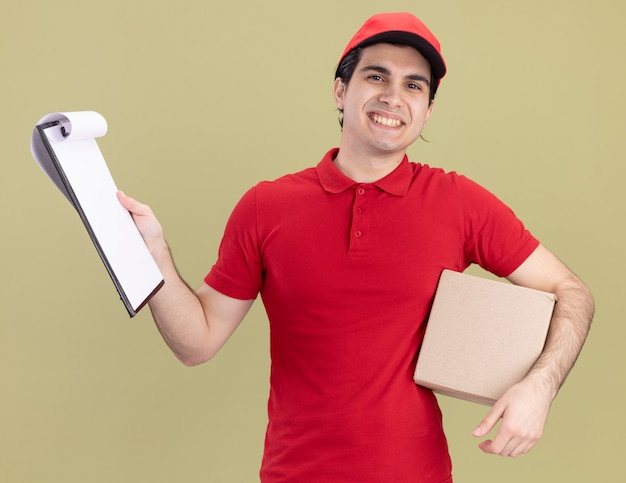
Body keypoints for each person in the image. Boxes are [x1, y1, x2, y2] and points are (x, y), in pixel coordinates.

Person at [118, 12, 594, 482]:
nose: (393, 96)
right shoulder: (267, 206)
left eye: (414, 85)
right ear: (341, 90)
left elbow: (572, 291)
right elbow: (195, 344)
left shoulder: (458, 202)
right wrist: (154, 255)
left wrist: (540, 387)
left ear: (428, 110)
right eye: (376, 75)